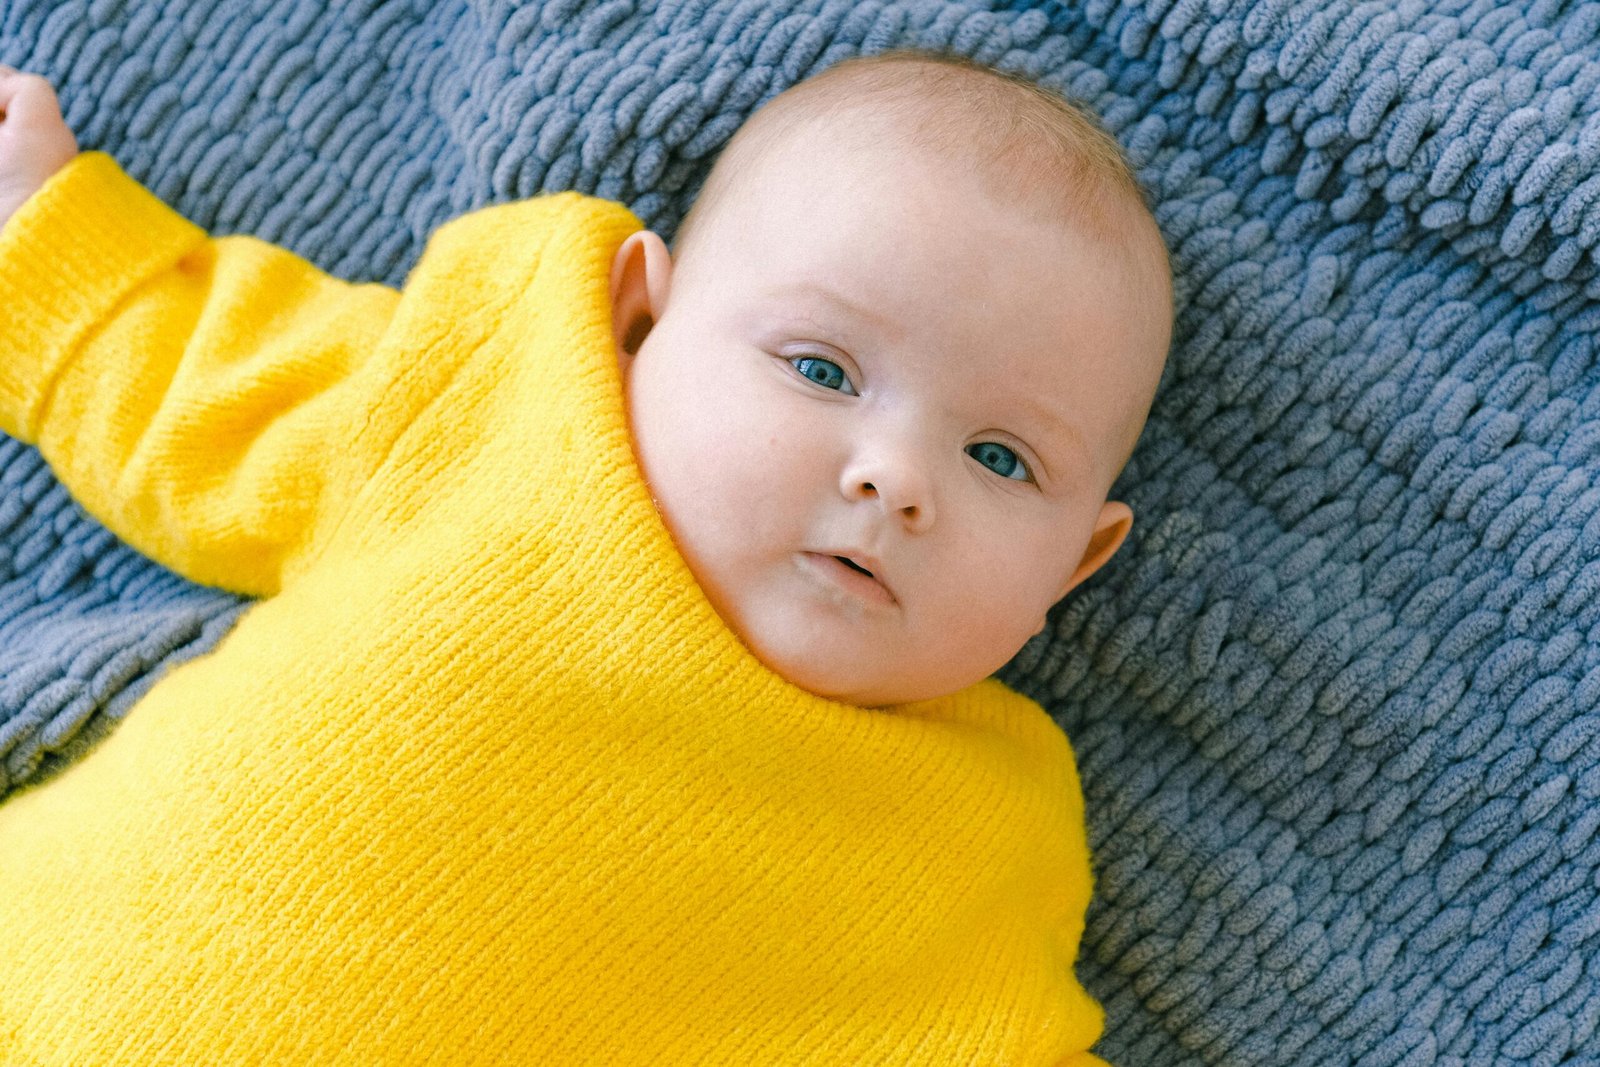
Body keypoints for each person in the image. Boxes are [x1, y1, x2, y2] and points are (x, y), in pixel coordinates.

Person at [0, 49, 1170, 1065]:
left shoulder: (976, 841)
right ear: (638, 322)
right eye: (820, 370)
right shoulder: (497, 404)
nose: (893, 477)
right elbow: (214, 386)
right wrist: (37, 230)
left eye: (1000, 459)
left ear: (1075, 565)